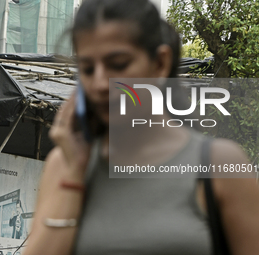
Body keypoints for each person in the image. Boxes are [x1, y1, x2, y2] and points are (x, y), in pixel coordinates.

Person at [24, 0, 259, 254]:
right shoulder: (64, 164)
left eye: (119, 64)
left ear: (160, 63)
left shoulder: (218, 163)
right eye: (88, 69)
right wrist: (72, 179)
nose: (101, 83)